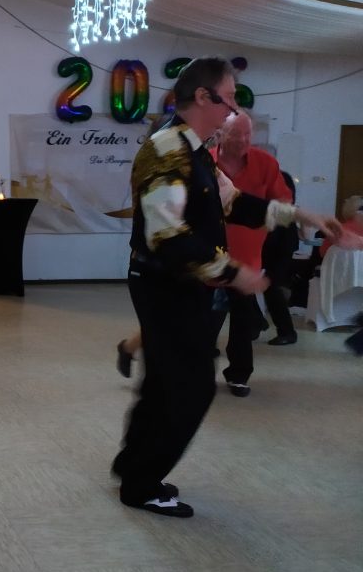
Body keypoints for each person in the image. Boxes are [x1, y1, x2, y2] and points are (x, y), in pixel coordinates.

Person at [112, 57, 339, 518]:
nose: (234, 108)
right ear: (204, 96)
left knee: (164, 381)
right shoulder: (167, 149)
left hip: (177, 283)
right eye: (230, 98)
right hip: (166, 284)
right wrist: (235, 273)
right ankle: (141, 484)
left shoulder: (193, 149)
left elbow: (233, 203)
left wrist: (300, 215)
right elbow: (167, 236)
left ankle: (133, 466)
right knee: (190, 387)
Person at [210, 111, 292, 397]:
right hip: (209, 261)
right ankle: (197, 372)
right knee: (203, 321)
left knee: (243, 323)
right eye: (236, 134)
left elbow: (283, 202)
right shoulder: (205, 162)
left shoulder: (266, 163)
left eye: (248, 134)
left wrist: (269, 222)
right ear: (220, 135)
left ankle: (238, 375)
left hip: (247, 262)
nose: (243, 140)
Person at [259, 170, 300, 346]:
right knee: (254, 286)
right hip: (275, 247)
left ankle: (287, 331)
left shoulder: (279, 183)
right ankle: (257, 322)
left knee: (271, 288)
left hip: (278, 249)